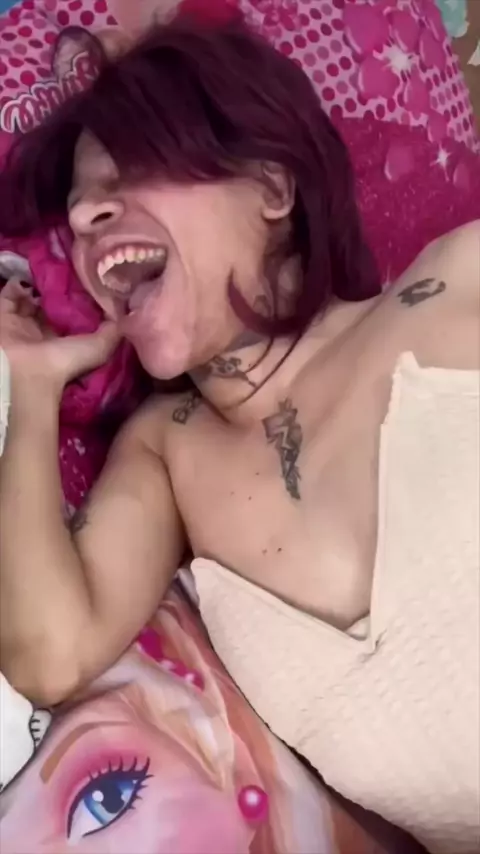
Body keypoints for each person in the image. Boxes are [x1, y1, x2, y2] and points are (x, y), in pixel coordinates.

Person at [0, 16, 478, 853]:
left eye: (129, 169)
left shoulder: (460, 284)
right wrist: (33, 389)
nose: (84, 216)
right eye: (78, 216)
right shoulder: (166, 453)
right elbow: (48, 653)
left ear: (270, 186)